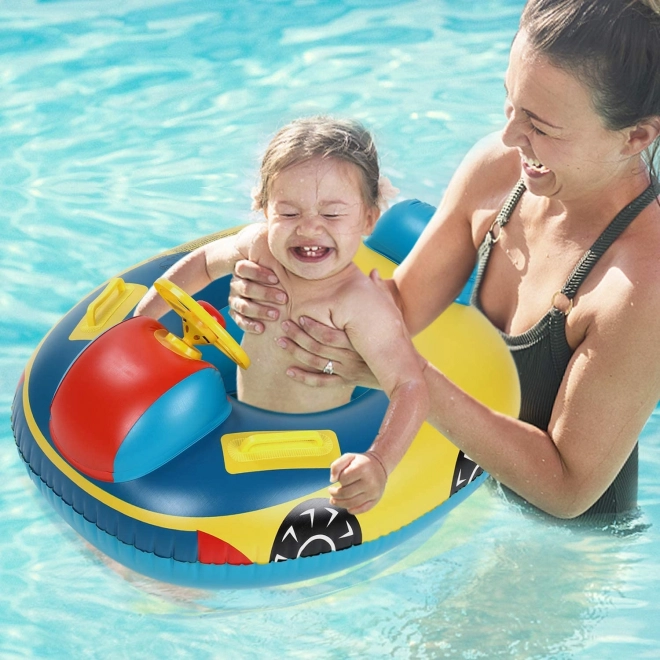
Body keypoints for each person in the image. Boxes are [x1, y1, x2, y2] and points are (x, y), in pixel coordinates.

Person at [225, 0, 660, 521]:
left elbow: (569, 490)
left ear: (636, 136)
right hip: (458, 491)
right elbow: (400, 309)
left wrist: (408, 376)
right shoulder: (500, 172)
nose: (509, 137)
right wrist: (281, 286)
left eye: (541, 127)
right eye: (509, 105)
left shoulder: (641, 283)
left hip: (559, 546)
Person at [135, 116, 429, 515]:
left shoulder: (360, 304)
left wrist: (379, 461)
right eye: (289, 213)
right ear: (263, 208)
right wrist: (143, 319)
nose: (309, 228)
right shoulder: (258, 249)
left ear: (369, 219)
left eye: (332, 214)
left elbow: (409, 385)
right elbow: (203, 262)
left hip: (310, 445)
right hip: (239, 418)